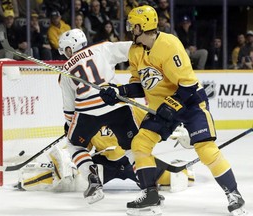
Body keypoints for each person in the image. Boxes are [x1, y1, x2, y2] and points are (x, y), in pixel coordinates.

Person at [100, 5, 247, 216]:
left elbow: (187, 84)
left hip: (189, 103)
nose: (130, 28)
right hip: (162, 107)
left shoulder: (169, 44)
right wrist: (118, 91)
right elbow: (140, 83)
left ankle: (234, 195)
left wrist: (171, 105)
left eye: (133, 25)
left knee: (205, 148)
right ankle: (151, 194)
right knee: (140, 143)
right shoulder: (135, 51)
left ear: (143, 26)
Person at [16, 106, 195, 193]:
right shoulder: (90, 118)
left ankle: (181, 169)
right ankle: (26, 181)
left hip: (133, 161)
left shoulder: (130, 109)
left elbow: (153, 125)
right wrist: (68, 159)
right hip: (105, 165)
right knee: (73, 183)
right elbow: (81, 147)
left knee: (178, 178)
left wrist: (178, 131)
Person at [57, 29, 139, 204]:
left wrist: (69, 125)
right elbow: (132, 49)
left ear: (70, 49)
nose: (66, 55)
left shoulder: (65, 70)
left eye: (65, 50)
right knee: (133, 147)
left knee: (74, 145)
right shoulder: (102, 48)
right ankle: (149, 187)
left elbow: (69, 108)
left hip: (87, 111)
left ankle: (93, 180)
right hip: (114, 102)